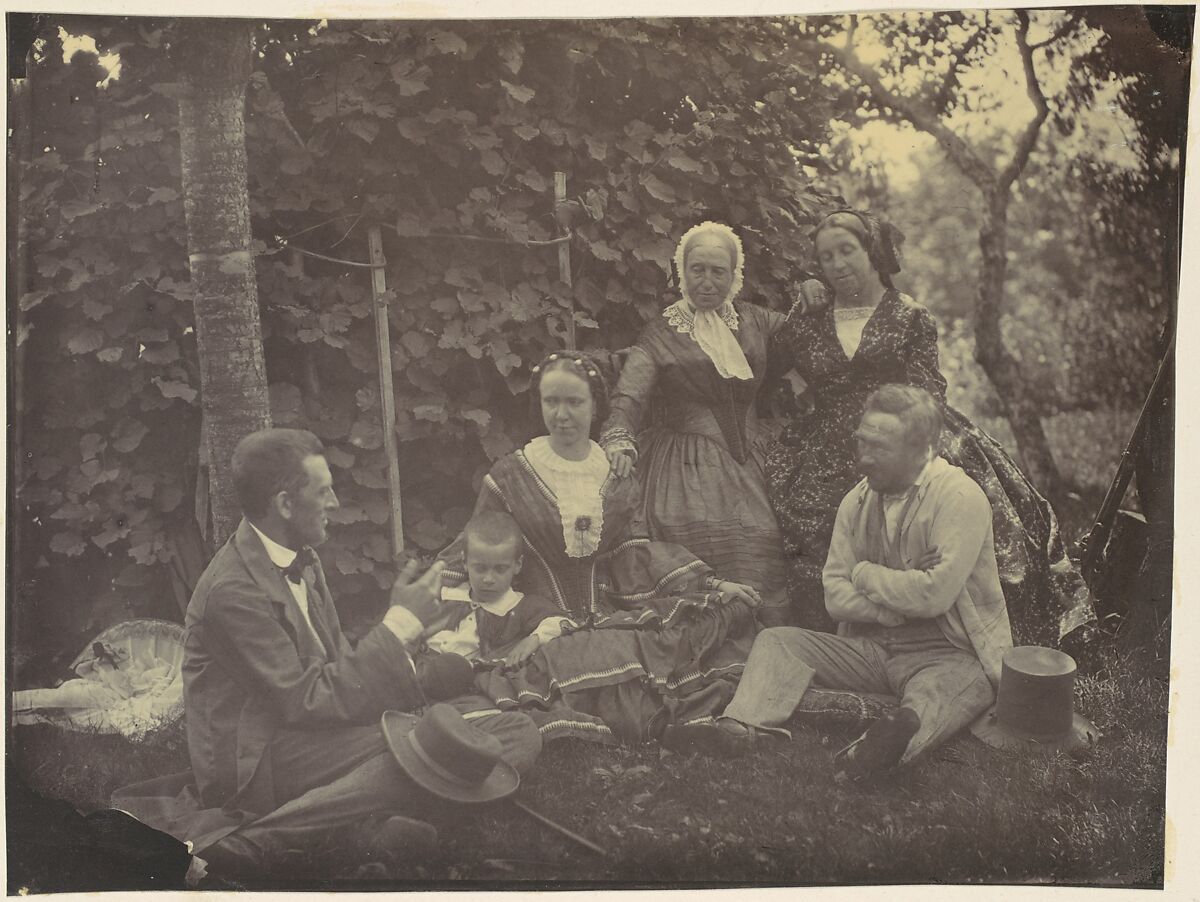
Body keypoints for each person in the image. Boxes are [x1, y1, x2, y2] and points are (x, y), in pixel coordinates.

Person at [113, 428, 542, 882]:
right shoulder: (232, 591)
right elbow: (308, 701)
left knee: (517, 730)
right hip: (263, 756)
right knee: (434, 742)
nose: (335, 502)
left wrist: (409, 643)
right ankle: (260, 841)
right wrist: (398, 626)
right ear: (284, 505)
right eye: (324, 491)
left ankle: (376, 819)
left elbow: (340, 672)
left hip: (325, 733)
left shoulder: (303, 556)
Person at [766, 208, 1094, 645]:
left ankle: (947, 634)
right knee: (815, 533)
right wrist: (798, 295)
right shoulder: (808, 318)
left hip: (905, 432)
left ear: (874, 251)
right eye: (826, 258)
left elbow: (928, 394)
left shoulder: (908, 315)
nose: (838, 265)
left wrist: (908, 446)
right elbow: (767, 367)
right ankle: (839, 639)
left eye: (848, 251)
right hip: (827, 443)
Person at [672, 386, 1013, 777]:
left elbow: (934, 597)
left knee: (938, 695)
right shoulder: (857, 500)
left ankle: (872, 755)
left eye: (879, 448)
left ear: (922, 450)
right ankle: (740, 727)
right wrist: (896, 603)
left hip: (949, 653)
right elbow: (835, 597)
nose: (863, 459)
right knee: (778, 641)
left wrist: (864, 574)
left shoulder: (959, 497)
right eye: (861, 443)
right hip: (874, 648)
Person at [439, 351, 762, 744]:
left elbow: (636, 552)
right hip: (535, 627)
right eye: (551, 401)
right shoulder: (511, 474)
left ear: (595, 407)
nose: (562, 414)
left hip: (605, 613)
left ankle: (669, 727)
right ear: (538, 404)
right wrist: (419, 609)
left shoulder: (615, 476)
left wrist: (712, 585)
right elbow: (469, 548)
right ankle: (668, 727)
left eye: (574, 402)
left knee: (649, 637)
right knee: (566, 659)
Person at [599, 221, 795, 624]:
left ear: (734, 274)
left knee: (767, 535)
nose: (707, 281)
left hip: (754, 458)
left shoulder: (756, 320)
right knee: (693, 533)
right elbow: (630, 394)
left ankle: (764, 640)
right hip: (684, 466)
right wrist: (619, 436)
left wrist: (813, 296)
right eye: (697, 269)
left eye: (718, 271)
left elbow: (807, 334)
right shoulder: (660, 332)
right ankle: (707, 642)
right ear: (682, 272)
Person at [425, 511, 571, 667]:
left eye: (500, 569)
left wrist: (535, 638)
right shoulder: (449, 593)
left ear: (517, 565)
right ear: (465, 562)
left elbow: (561, 622)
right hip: (422, 663)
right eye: (480, 569)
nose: (489, 579)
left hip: (464, 673)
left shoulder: (518, 606)